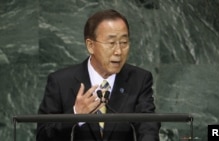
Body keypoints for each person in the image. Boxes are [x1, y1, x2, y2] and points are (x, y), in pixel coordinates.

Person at [36, 9, 160, 141]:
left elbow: (148, 127)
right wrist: (75, 114)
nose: (118, 51)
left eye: (124, 43)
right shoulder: (60, 82)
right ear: (90, 45)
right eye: (111, 43)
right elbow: (43, 135)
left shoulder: (139, 80)